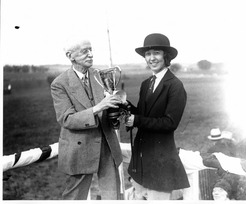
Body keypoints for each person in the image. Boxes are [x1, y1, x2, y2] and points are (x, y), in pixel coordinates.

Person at [50, 35, 123, 200]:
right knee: (75, 198)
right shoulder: (59, 84)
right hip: (79, 149)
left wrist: (117, 111)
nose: (90, 54)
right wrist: (99, 107)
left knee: (113, 197)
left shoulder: (100, 75)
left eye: (91, 50)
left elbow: (109, 109)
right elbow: (66, 119)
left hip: (107, 145)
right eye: (84, 51)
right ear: (70, 56)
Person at [124, 33, 190, 199]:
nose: (151, 58)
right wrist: (125, 105)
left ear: (166, 56)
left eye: (156, 53)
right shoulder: (146, 84)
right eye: (148, 54)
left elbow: (170, 123)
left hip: (161, 161)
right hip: (141, 157)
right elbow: (144, 114)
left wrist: (137, 120)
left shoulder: (175, 86)